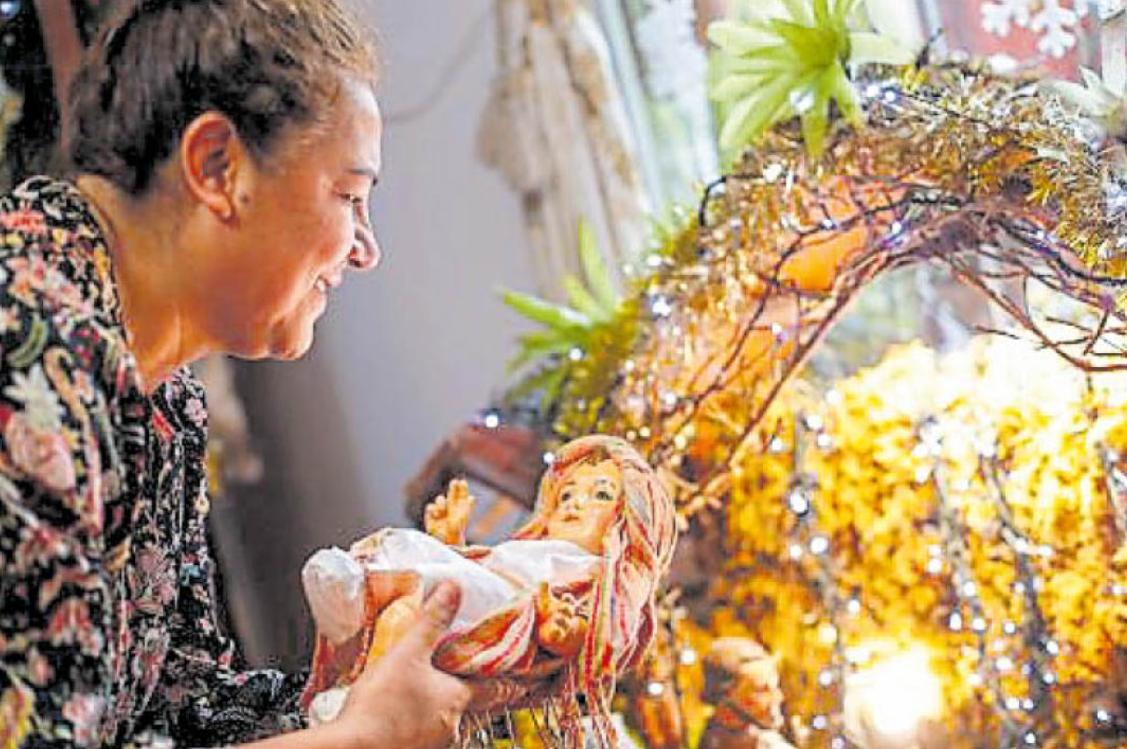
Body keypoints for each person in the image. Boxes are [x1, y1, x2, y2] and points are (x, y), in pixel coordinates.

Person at [0, 1, 518, 747]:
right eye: (349, 196)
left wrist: (395, 676)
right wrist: (358, 737)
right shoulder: (28, 345)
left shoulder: (162, 395)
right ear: (217, 166)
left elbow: (184, 711)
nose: (365, 248)